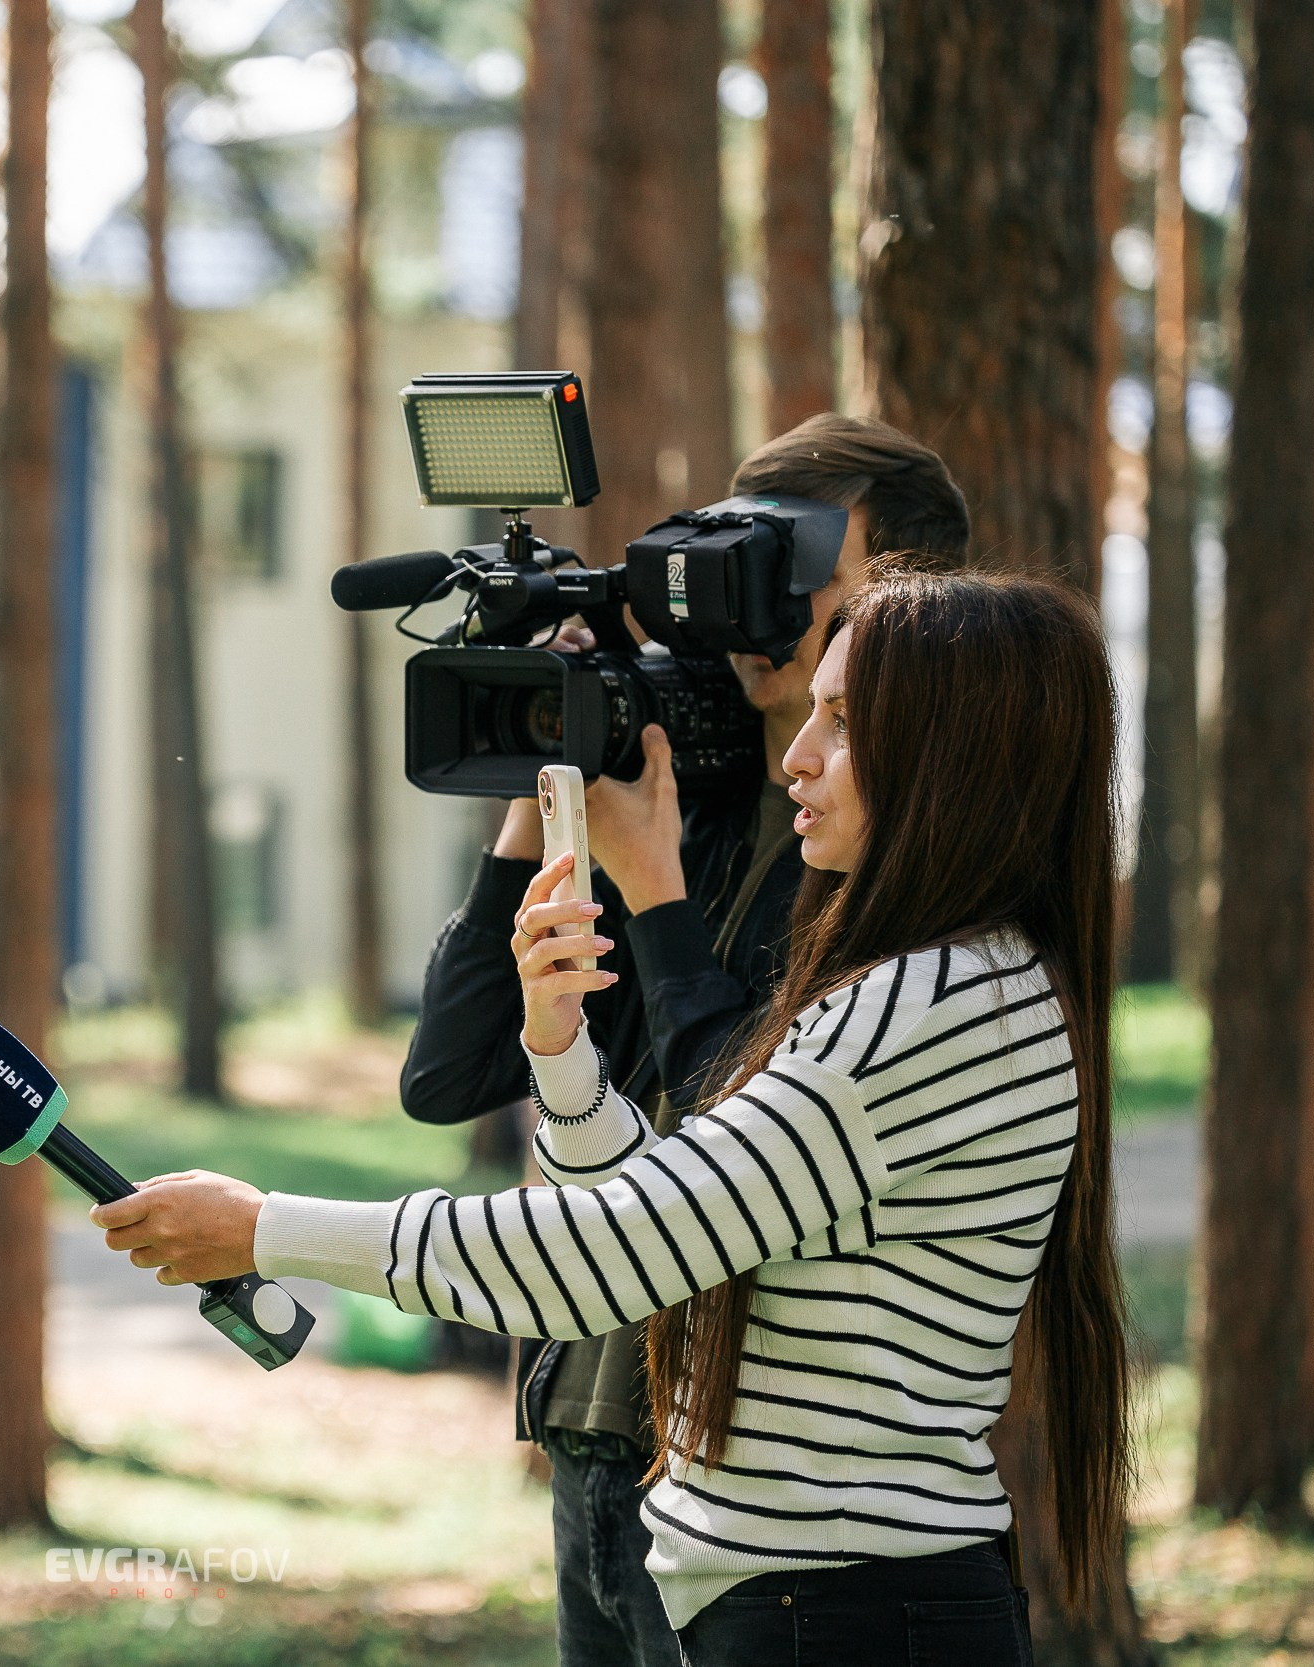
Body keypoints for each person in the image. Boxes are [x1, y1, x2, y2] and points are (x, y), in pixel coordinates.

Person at [94, 572, 1132, 1664]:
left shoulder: (918, 1004)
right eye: (814, 710)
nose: (797, 756)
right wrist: (561, 1048)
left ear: (953, 758)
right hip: (832, 1603)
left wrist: (265, 1229)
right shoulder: (962, 980)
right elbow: (678, 1233)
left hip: (843, 1612)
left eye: (845, 722)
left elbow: (613, 1258)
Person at [399, 415, 971, 1664]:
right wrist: (552, 771)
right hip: (594, 1432)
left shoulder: (899, 874)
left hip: (743, 1471)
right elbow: (449, 1072)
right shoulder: (681, 794)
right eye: (735, 544)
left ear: (903, 596)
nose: (750, 589)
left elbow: (739, 1139)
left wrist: (652, 891)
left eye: (798, 554)